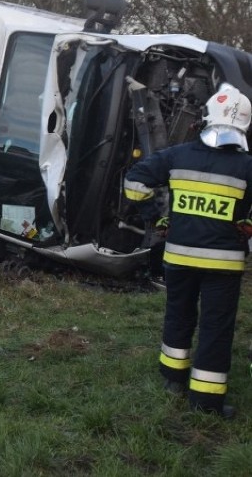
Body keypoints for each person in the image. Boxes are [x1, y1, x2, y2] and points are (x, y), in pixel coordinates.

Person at [124, 82, 252, 419]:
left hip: (178, 257)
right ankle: (206, 400)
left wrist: (158, 218)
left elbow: (134, 184)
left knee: (178, 316)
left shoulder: (176, 156)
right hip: (223, 265)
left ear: (205, 118)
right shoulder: (247, 167)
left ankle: (173, 380)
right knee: (215, 326)